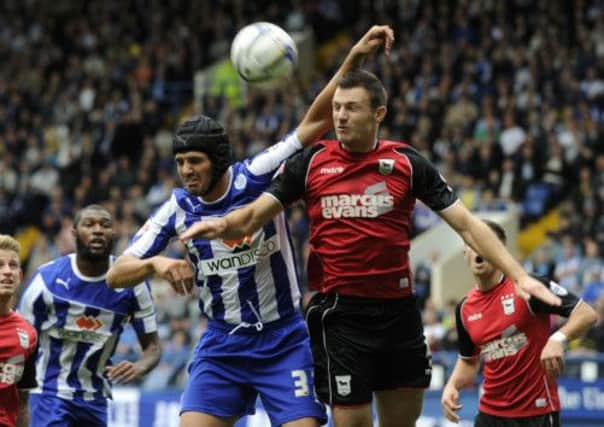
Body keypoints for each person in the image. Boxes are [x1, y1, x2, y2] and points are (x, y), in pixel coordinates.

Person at [179, 70, 563, 427]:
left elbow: (467, 224)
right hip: (341, 317)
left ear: (378, 113)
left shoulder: (406, 164)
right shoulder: (310, 163)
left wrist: (521, 277)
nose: (341, 116)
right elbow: (251, 217)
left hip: (399, 315)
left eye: (352, 108)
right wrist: (223, 223)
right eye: (337, 108)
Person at [106, 25, 394, 427]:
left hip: (284, 339)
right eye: (181, 162)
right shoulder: (176, 207)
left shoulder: (255, 175)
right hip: (223, 343)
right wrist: (157, 265)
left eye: (196, 162)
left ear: (218, 160)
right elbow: (116, 274)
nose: (187, 171)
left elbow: (316, 122)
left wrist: (355, 57)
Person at [441, 220, 598, 426]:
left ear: (498, 252)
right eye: (472, 244)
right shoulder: (464, 309)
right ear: (465, 253)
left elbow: (586, 313)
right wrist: (452, 385)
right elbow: (469, 360)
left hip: (536, 413)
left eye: (485, 242)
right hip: (490, 414)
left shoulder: (528, 287)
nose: (477, 248)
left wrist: (557, 339)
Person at [18, 204, 160, 427]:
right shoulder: (46, 280)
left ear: (114, 233)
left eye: (105, 225)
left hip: (95, 400)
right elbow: (20, 343)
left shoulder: (133, 284)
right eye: (89, 224)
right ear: (74, 233)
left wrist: (140, 366)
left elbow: (153, 348)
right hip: (48, 394)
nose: (98, 230)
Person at [0, 235, 37, 427]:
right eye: (0, 265)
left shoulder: (28, 334)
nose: (7, 271)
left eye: (13, 265)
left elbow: (23, 403)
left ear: (20, 276)